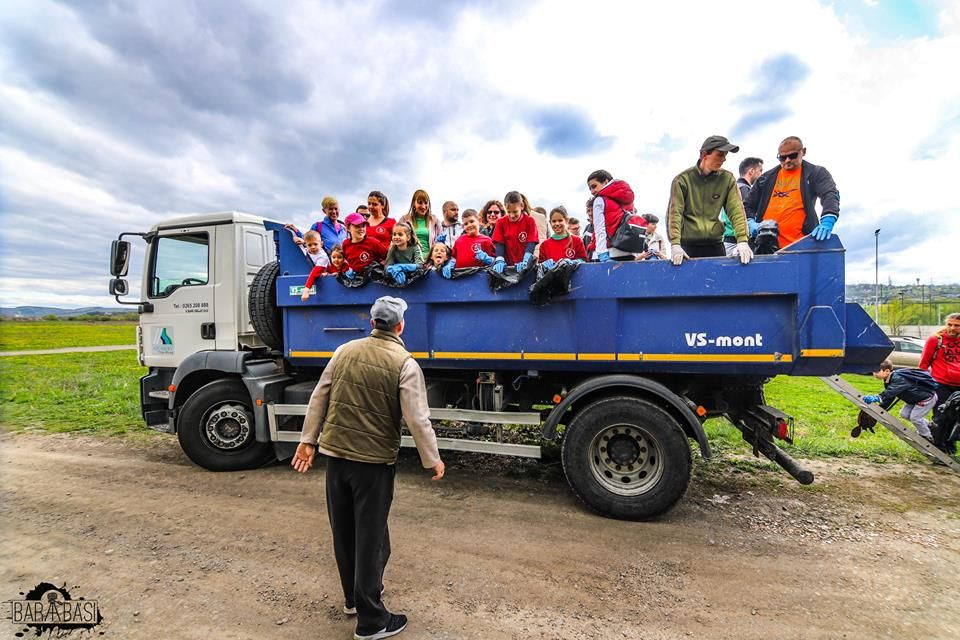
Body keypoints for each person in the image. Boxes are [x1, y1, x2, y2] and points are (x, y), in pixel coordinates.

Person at [292, 296, 444, 640]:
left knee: (344, 531)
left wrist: (307, 440)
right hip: (372, 464)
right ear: (401, 326)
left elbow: (320, 396)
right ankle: (372, 621)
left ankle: (353, 598)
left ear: (372, 322)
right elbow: (417, 419)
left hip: (336, 458)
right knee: (372, 539)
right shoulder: (405, 363)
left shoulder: (343, 351)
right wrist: (432, 459)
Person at [666, 135, 752, 265]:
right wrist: (675, 244)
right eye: (720, 154)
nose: (724, 159)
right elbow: (674, 213)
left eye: (725, 155)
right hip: (687, 247)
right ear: (704, 154)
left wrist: (742, 240)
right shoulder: (682, 180)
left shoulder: (727, 179)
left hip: (715, 245)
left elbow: (737, 211)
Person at [744, 136, 840, 248]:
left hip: (800, 246)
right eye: (782, 158)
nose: (787, 160)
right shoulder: (765, 179)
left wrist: (828, 219)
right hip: (767, 248)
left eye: (792, 155)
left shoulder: (815, 173)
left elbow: (830, 194)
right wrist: (751, 223)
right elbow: (747, 206)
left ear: (803, 152)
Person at [864, 360, 938, 441]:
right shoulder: (888, 380)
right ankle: (929, 425)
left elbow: (891, 391)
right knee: (904, 414)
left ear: (887, 371)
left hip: (926, 398)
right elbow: (890, 397)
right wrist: (880, 409)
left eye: (877, 371)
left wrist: (878, 397)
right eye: (873, 371)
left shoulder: (898, 378)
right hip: (914, 399)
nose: (874, 374)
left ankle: (927, 437)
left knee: (915, 418)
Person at [919, 313, 960, 445]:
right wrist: (924, 384)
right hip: (941, 384)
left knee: (955, 418)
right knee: (941, 417)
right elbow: (924, 364)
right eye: (950, 324)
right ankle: (936, 447)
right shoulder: (936, 340)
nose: (952, 328)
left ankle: (949, 447)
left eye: (957, 326)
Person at [585, 170, 637, 263]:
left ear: (605, 182)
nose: (592, 192)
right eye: (590, 189)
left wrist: (602, 253)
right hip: (628, 252)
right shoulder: (628, 200)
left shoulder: (600, 200)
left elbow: (599, 229)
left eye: (594, 186)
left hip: (608, 253)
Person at [491, 191, 539, 274]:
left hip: (524, 267)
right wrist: (500, 260)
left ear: (522, 206)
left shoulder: (529, 221)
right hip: (508, 268)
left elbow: (531, 243)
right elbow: (499, 244)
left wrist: (526, 261)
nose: (512, 215)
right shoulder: (501, 222)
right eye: (509, 212)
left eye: (515, 212)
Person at [538, 206, 587, 271]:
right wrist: (543, 265)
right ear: (550, 222)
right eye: (554, 221)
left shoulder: (577, 240)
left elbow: (584, 260)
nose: (557, 223)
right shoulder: (544, 245)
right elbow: (540, 266)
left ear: (566, 221)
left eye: (560, 220)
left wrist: (574, 262)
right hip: (552, 280)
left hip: (573, 279)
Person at [342, 212, 388, 279]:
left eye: (363, 226)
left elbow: (388, 256)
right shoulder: (345, 244)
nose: (361, 229)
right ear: (348, 228)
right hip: (355, 281)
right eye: (357, 226)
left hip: (373, 282)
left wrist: (383, 263)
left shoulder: (373, 242)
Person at [448, 209, 496, 274]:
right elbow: (453, 257)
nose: (469, 225)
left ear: (479, 220)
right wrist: (450, 263)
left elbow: (494, 261)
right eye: (466, 224)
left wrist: (488, 259)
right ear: (463, 227)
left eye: (471, 221)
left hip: (479, 279)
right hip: (460, 279)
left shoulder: (487, 241)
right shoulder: (459, 241)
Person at [400, 190, 441, 257]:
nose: (423, 206)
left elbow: (440, 243)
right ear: (413, 203)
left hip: (429, 260)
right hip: (409, 259)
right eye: (420, 203)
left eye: (426, 203)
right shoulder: (404, 219)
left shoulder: (434, 220)